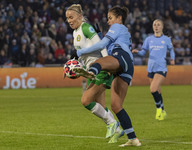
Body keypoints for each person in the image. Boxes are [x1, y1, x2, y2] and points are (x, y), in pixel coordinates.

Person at [73, 6, 141, 147]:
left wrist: (81, 52)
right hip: (126, 66)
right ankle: (133, 138)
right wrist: (99, 34)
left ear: (119, 18)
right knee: (116, 106)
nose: (108, 21)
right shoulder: (121, 31)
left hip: (120, 57)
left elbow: (102, 44)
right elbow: (108, 43)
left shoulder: (118, 27)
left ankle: (92, 72)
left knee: (99, 63)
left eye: (110, 18)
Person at [65, 4, 121, 142]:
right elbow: (83, 55)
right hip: (91, 71)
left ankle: (113, 124)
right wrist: (73, 66)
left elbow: (101, 45)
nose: (69, 20)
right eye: (67, 18)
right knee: (100, 106)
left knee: (85, 100)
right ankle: (118, 130)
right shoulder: (75, 32)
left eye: (71, 17)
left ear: (79, 16)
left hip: (101, 68)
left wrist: (108, 65)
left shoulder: (86, 28)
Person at [132, 19, 175, 120]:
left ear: (162, 27)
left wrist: (172, 59)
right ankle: (163, 110)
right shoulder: (148, 39)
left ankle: (158, 109)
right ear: (152, 27)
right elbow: (143, 53)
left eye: (158, 25)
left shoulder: (166, 39)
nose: (156, 26)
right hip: (151, 68)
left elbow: (171, 50)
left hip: (161, 68)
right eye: (154, 24)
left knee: (153, 89)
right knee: (157, 90)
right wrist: (137, 52)